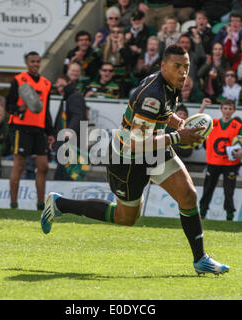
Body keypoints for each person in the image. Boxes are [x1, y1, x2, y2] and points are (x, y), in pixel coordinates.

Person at [41, 44, 231, 276]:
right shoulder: (152, 96)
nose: (183, 72)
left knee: (188, 195)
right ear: (163, 66)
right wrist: (177, 136)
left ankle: (200, 259)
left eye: (186, 67)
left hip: (154, 148)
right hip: (127, 160)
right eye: (178, 66)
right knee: (126, 218)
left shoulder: (170, 84)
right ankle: (60, 204)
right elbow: (135, 143)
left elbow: (163, 114)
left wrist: (177, 123)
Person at [6, 51, 54, 211]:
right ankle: (13, 204)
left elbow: (46, 110)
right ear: (27, 63)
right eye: (32, 61)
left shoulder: (46, 83)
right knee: (19, 166)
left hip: (39, 129)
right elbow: (9, 106)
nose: (35, 64)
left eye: (37, 61)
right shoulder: (19, 80)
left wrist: (51, 132)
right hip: (20, 128)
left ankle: (40, 205)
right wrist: (20, 109)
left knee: (43, 166)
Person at [198, 99, 242, 221]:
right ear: (221, 109)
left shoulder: (237, 126)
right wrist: (203, 107)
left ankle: (229, 215)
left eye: (230, 109)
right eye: (225, 108)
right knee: (208, 188)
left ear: (234, 110)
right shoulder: (213, 123)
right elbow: (197, 122)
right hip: (213, 161)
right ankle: (202, 213)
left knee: (229, 191)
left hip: (230, 163)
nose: (227, 111)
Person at [53, 75, 88, 181]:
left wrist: (69, 131)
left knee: (67, 175)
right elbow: (60, 121)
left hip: (72, 144)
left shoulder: (74, 96)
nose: (60, 89)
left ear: (69, 82)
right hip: (66, 143)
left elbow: (77, 115)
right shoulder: (67, 97)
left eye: (62, 85)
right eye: (58, 87)